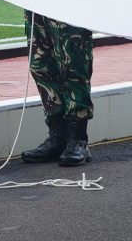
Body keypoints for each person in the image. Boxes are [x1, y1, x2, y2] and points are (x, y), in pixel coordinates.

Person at [19, 11, 95, 167]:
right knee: (40, 65)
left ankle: (78, 139)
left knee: (73, 66)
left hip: (68, 0)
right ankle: (58, 137)